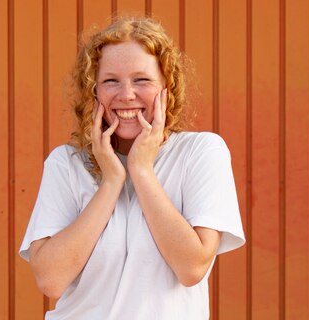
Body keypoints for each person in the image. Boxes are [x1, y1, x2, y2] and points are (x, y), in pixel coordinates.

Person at [19, 16, 245, 319]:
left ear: (167, 87)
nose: (126, 95)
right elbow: (50, 280)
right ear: (94, 91)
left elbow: (191, 267)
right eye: (111, 81)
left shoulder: (201, 152)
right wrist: (112, 180)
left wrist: (142, 171)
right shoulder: (67, 163)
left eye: (142, 80)